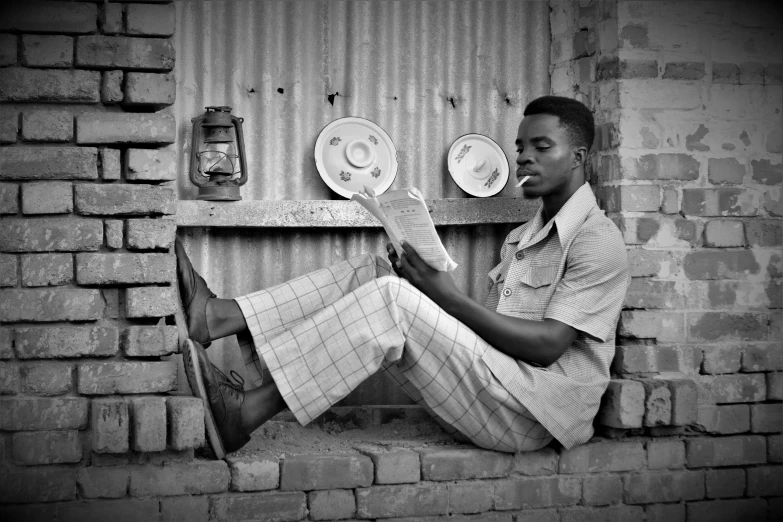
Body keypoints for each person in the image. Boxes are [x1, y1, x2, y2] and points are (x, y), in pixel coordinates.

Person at [177, 95, 629, 458]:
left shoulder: (595, 239)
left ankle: (247, 411)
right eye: (520, 148)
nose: (524, 158)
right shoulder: (523, 236)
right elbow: (492, 345)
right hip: (497, 389)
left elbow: (548, 347)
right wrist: (423, 285)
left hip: (532, 415)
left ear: (578, 157)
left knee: (391, 300)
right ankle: (217, 317)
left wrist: (446, 299)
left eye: (541, 147)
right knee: (375, 272)